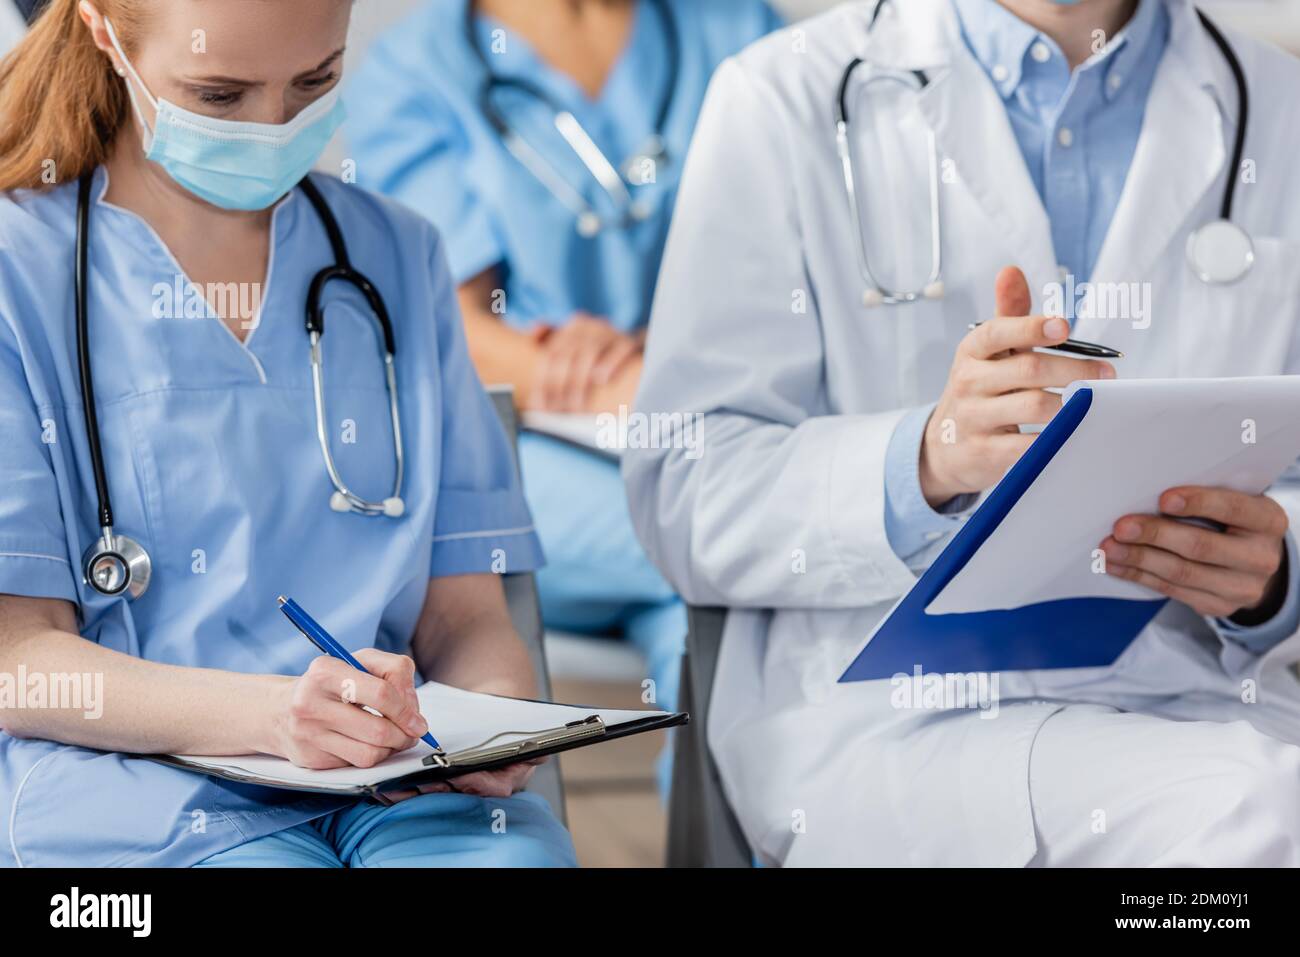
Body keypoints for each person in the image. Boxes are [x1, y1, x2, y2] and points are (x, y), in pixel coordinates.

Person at [625, 0, 1300, 866]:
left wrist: (1276, 573)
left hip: (1208, 696)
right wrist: (927, 461)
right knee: (1243, 820)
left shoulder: (1277, 105)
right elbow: (685, 488)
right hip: (899, 720)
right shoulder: (779, 97)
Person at [0, 0, 575, 868]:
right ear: (104, 32)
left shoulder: (398, 256)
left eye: (314, 82)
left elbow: (467, 615)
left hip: (399, 784)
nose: (274, 129)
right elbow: (19, 660)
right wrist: (275, 716)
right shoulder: (19, 273)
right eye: (221, 95)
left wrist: (492, 726)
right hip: (140, 794)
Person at [345, 0, 783, 733]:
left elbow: (793, 284)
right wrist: (632, 380)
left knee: (703, 615)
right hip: (524, 454)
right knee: (744, 550)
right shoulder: (418, 69)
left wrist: (662, 351)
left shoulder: (737, 29)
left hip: (721, 430)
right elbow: (463, 334)